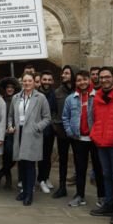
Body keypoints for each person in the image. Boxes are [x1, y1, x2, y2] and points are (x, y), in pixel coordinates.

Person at [89, 67, 113, 224]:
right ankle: (108, 204)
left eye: (107, 77)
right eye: (101, 77)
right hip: (101, 141)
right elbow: (95, 118)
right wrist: (94, 134)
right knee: (105, 174)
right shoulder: (96, 96)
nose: (104, 80)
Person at [9, 73, 51, 206]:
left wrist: (37, 127)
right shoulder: (16, 97)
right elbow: (10, 115)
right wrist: (11, 126)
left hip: (32, 134)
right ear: (22, 82)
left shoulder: (40, 97)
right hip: (18, 133)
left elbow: (47, 118)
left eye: (30, 81)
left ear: (34, 82)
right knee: (21, 164)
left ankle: (29, 193)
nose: (27, 83)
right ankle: (24, 191)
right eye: (25, 81)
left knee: (30, 164)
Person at [62, 70, 98, 207]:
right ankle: (79, 196)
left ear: (90, 80)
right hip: (79, 139)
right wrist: (71, 133)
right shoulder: (71, 98)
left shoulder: (97, 96)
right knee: (80, 169)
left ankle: (102, 197)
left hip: (94, 139)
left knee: (99, 169)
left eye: (84, 79)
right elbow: (65, 117)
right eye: (79, 80)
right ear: (75, 82)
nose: (82, 82)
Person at [51, 65, 79, 198]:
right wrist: (55, 125)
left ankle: (80, 191)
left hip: (77, 133)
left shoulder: (80, 91)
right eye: (63, 73)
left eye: (66, 73)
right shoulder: (58, 92)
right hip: (62, 131)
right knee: (63, 160)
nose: (63, 75)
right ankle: (62, 187)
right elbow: (54, 110)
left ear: (73, 75)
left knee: (79, 161)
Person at [0, 77, 22, 191]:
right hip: (2, 131)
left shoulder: (18, 99)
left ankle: (0, 173)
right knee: (6, 157)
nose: (10, 89)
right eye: (8, 87)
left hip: (13, 132)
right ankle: (8, 181)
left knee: (12, 157)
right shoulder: (0, 99)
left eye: (12, 87)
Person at [37, 71, 56, 194]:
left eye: (49, 80)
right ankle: (40, 180)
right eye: (45, 79)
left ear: (52, 81)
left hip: (49, 131)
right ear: (40, 80)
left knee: (47, 157)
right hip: (37, 130)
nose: (47, 82)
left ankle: (45, 178)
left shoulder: (55, 94)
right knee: (37, 156)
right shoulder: (35, 94)